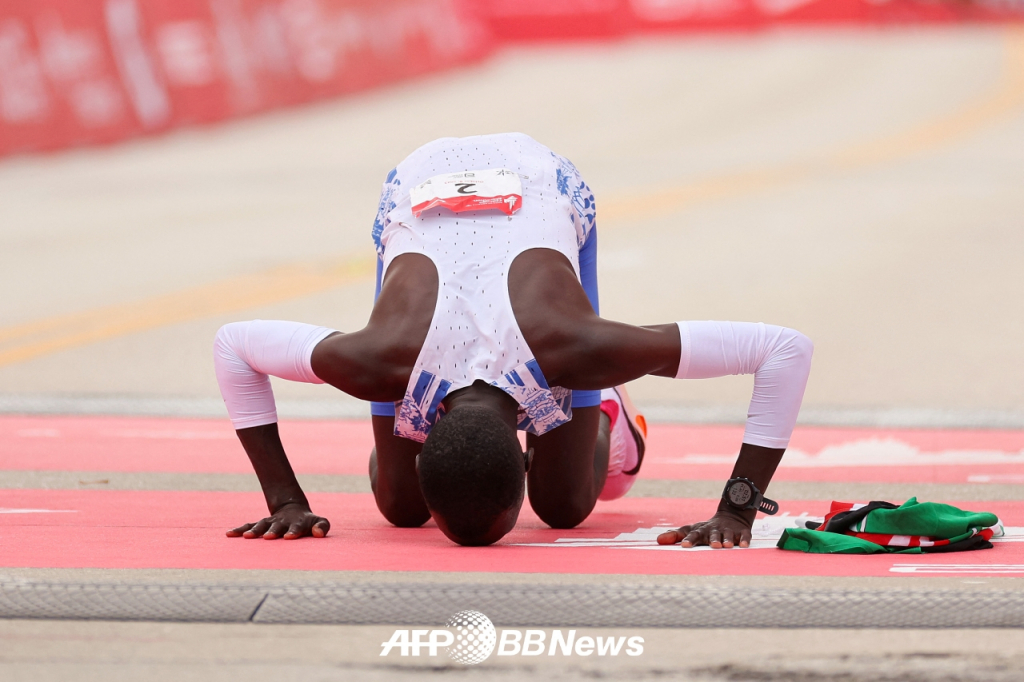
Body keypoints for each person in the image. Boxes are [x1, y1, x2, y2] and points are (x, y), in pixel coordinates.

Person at [213, 133, 813, 548]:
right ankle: (560, 419)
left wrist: (738, 508)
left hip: (538, 182)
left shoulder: (577, 348)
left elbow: (787, 348)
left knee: (564, 508)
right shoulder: (375, 359)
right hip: (420, 192)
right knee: (400, 509)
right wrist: (284, 500)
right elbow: (232, 344)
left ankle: (609, 405)